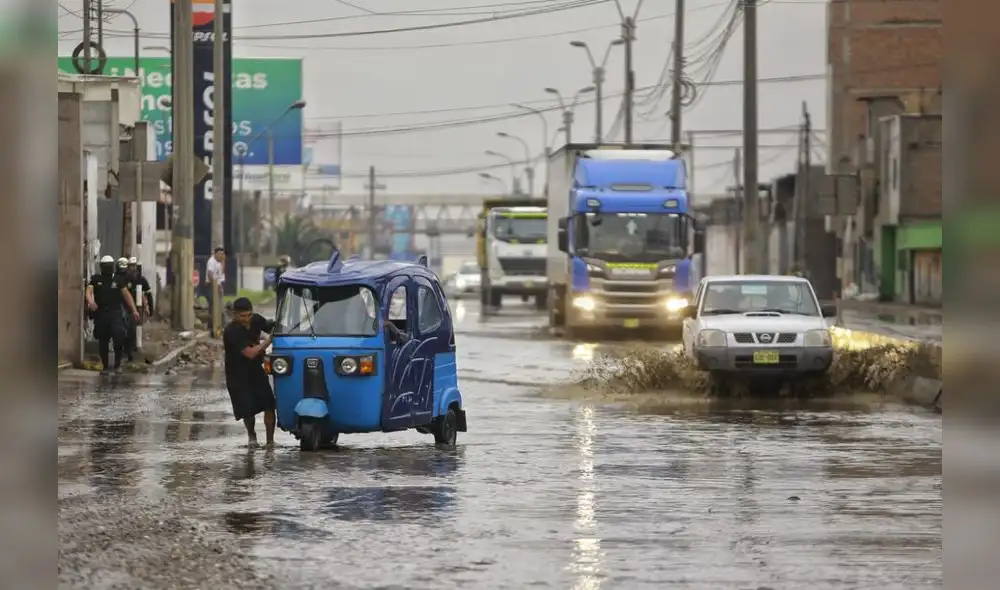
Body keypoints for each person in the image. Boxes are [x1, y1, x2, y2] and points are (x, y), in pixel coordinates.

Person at [223, 297, 276, 447]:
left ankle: (270, 441)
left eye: (249, 315)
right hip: (237, 374)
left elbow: (270, 327)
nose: (246, 319)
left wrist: (277, 327)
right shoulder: (231, 331)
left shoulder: (256, 320)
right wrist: (268, 341)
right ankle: (252, 437)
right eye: (242, 316)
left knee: (269, 404)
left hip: (255, 370)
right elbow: (250, 353)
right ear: (234, 314)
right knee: (247, 409)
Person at [85, 255, 141, 375]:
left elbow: (127, 296)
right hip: (101, 313)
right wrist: (90, 301)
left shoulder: (118, 279)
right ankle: (105, 366)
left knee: (118, 336)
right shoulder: (96, 279)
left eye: (109, 266)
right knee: (103, 340)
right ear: (101, 267)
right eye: (105, 266)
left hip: (115, 313)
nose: (107, 268)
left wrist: (134, 310)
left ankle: (117, 365)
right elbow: (88, 291)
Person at [205, 246, 226, 332]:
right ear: (215, 253)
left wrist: (223, 261)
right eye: (219, 254)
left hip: (218, 285)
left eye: (222, 254)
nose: (221, 255)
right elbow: (210, 274)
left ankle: (220, 326)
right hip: (211, 286)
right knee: (213, 306)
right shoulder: (211, 261)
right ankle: (211, 326)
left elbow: (221, 273)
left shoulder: (219, 262)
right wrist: (215, 285)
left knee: (220, 306)